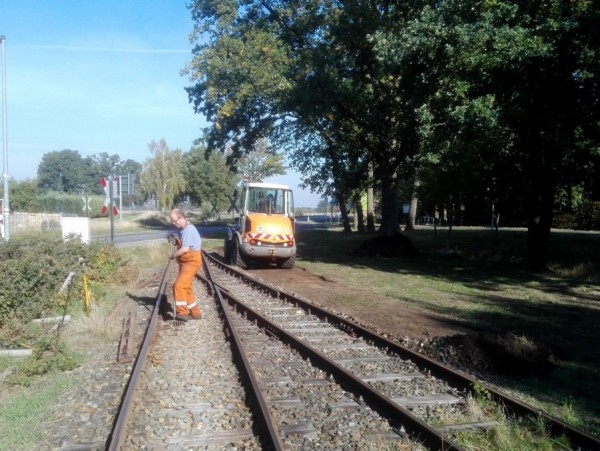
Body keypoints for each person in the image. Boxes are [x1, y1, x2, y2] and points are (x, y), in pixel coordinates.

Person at [169, 208, 202, 321]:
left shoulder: (188, 229)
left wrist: (173, 255)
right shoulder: (182, 229)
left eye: (175, 220)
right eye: (172, 221)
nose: (174, 223)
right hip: (185, 262)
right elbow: (182, 243)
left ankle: (182, 313)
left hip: (191, 261)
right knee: (186, 287)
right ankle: (195, 313)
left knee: (178, 285)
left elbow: (184, 249)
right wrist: (175, 240)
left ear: (181, 217)